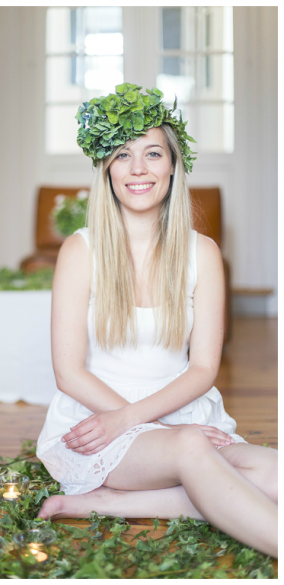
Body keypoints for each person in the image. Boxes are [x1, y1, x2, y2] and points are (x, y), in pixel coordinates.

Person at [35, 84, 277, 558]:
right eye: (123, 155)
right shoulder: (80, 251)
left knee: (273, 473)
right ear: (107, 169)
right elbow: (69, 372)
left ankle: (106, 502)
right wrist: (139, 426)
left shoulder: (202, 254)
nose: (139, 168)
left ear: (173, 165)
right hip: (101, 421)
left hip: (180, 414)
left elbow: (203, 368)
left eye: (152, 153)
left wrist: (166, 426)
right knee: (191, 450)